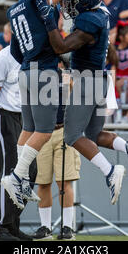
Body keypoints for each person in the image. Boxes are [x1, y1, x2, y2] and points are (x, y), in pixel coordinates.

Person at [33, 0, 128, 207]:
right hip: (98, 79)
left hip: (86, 80)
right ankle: (127, 146)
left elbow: (61, 47)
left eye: (73, 2)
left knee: (71, 135)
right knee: (94, 136)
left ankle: (109, 171)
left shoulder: (89, 20)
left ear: (86, 2)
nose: (69, 6)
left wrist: (48, 20)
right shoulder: (99, 13)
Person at [1, 0, 96, 210]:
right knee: (44, 131)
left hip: (25, 71)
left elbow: (15, 51)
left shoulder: (16, 7)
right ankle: (16, 177)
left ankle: (16, 177)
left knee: (28, 130)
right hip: (42, 72)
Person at [0, 45, 36, 241]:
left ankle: (11, 225)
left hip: (24, 118)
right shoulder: (2, 58)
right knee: (9, 171)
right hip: (3, 116)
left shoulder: (33, 53)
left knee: (30, 171)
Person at [32, 61, 80, 241]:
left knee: (64, 182)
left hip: (63, 129)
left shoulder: (68, 74)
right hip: (42, 131)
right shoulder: (38, 74)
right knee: (42, 182)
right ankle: (45, 227)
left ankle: (67, 227)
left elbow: (78, 101)